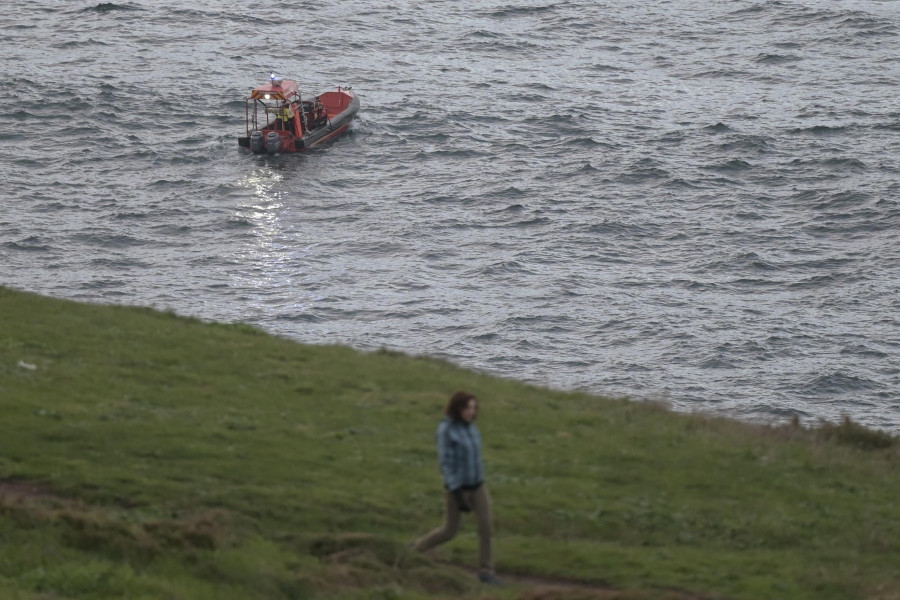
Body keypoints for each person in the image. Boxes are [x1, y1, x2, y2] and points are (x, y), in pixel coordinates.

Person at [411, 392, 502, 585]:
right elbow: (446, 463)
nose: (472, 412)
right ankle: (416, 549)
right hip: (458, 489)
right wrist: (456, 492)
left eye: (474, 408)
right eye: (468, 408)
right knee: (450, 530)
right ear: (457, 408)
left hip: (478, 485)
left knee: (486, 526)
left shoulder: (472, 428)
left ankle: (486, 570)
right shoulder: (446, 430)